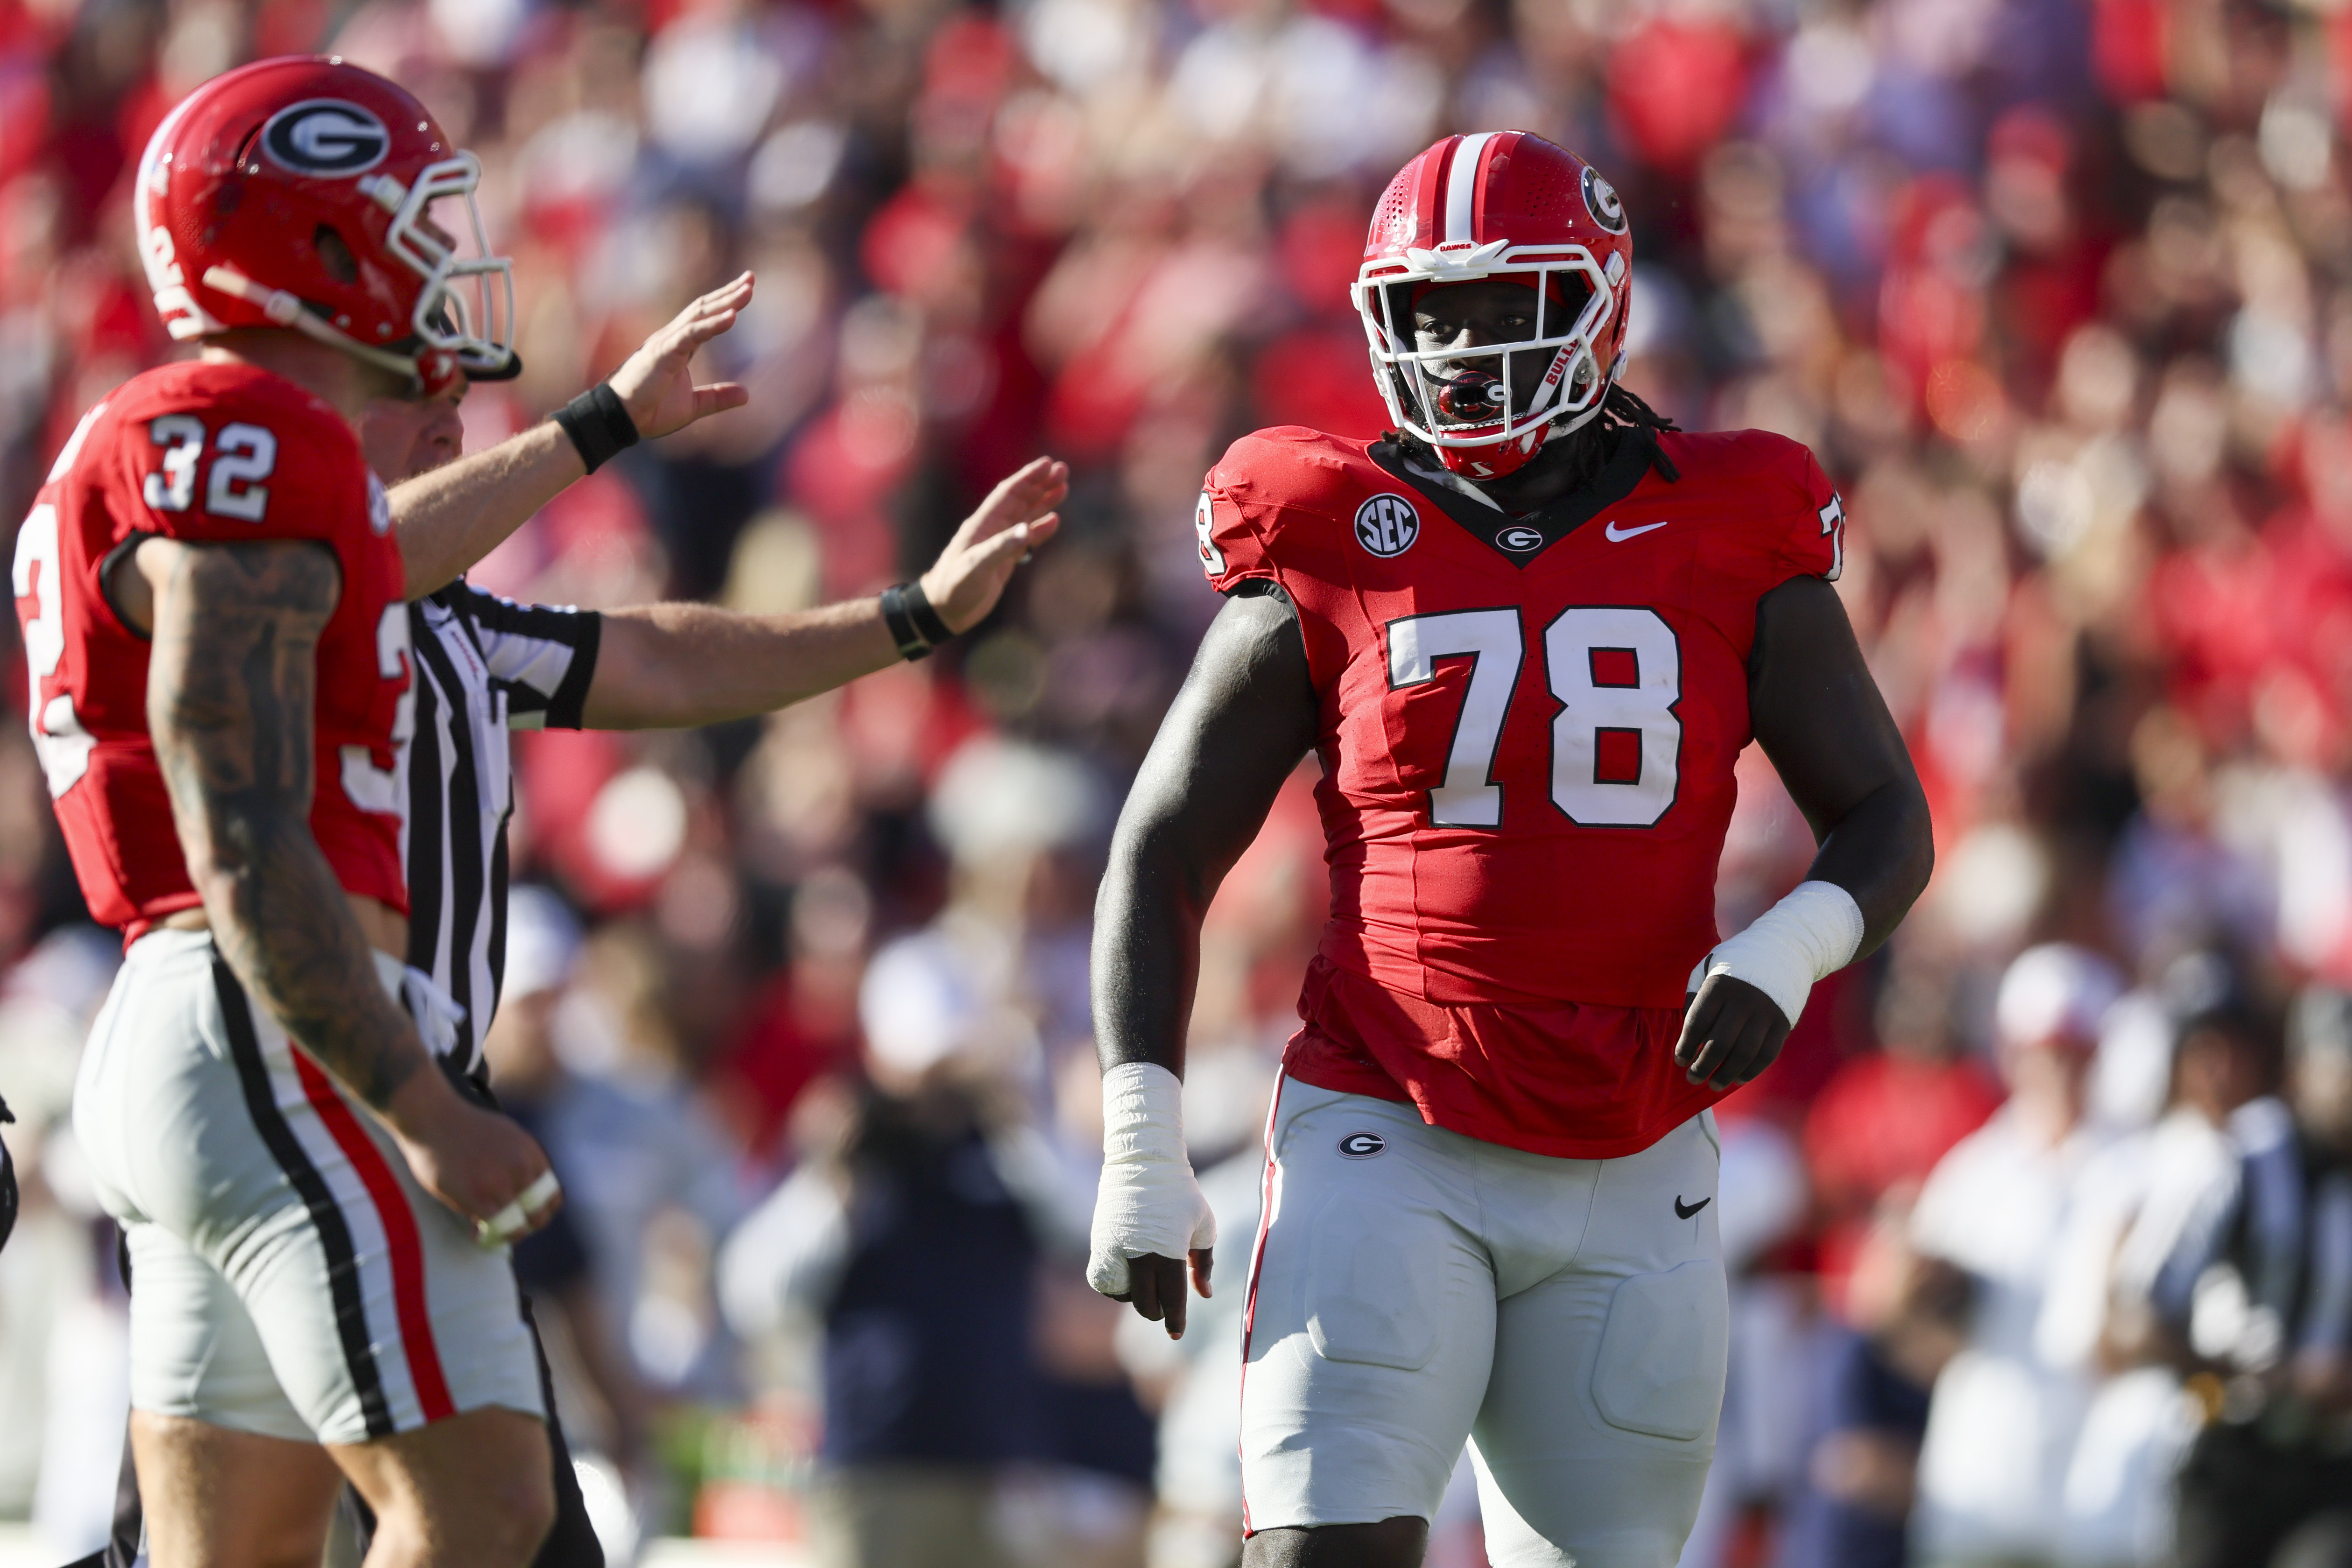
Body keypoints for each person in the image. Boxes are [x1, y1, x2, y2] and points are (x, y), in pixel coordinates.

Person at [1084, 130, 1934, 1568]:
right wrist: (1141, 1137)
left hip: (1635, 1142)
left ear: (1598, 300)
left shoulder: (1728, 517)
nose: (1462, 345)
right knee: (1318, 1551)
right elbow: (1162, 844)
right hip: (1384, 1124)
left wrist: (1788, 947)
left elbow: (1887, 818)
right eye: (1428, 311)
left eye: (1502, 302)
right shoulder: (1327, 522)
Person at [20, 58, 563, 1568]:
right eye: (409, 226)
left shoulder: (197, 433)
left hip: (194, 1019)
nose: (443, 263)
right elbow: (236, 806)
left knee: (232, 1558)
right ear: (316, 246)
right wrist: (420, 1098)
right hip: (272, 1014)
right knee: (480, 1506)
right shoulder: (241, 431)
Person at [1907, 943, 2121, 1568]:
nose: (2055, 1069)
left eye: (2071, 1051)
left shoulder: (2140, 1164)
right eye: (2040, 1050)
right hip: (1974, 1489)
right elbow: (1915, 1338)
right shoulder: (1972, 1173)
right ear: (2009, 1052)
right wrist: (1908, 1300)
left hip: (2096, 1502)